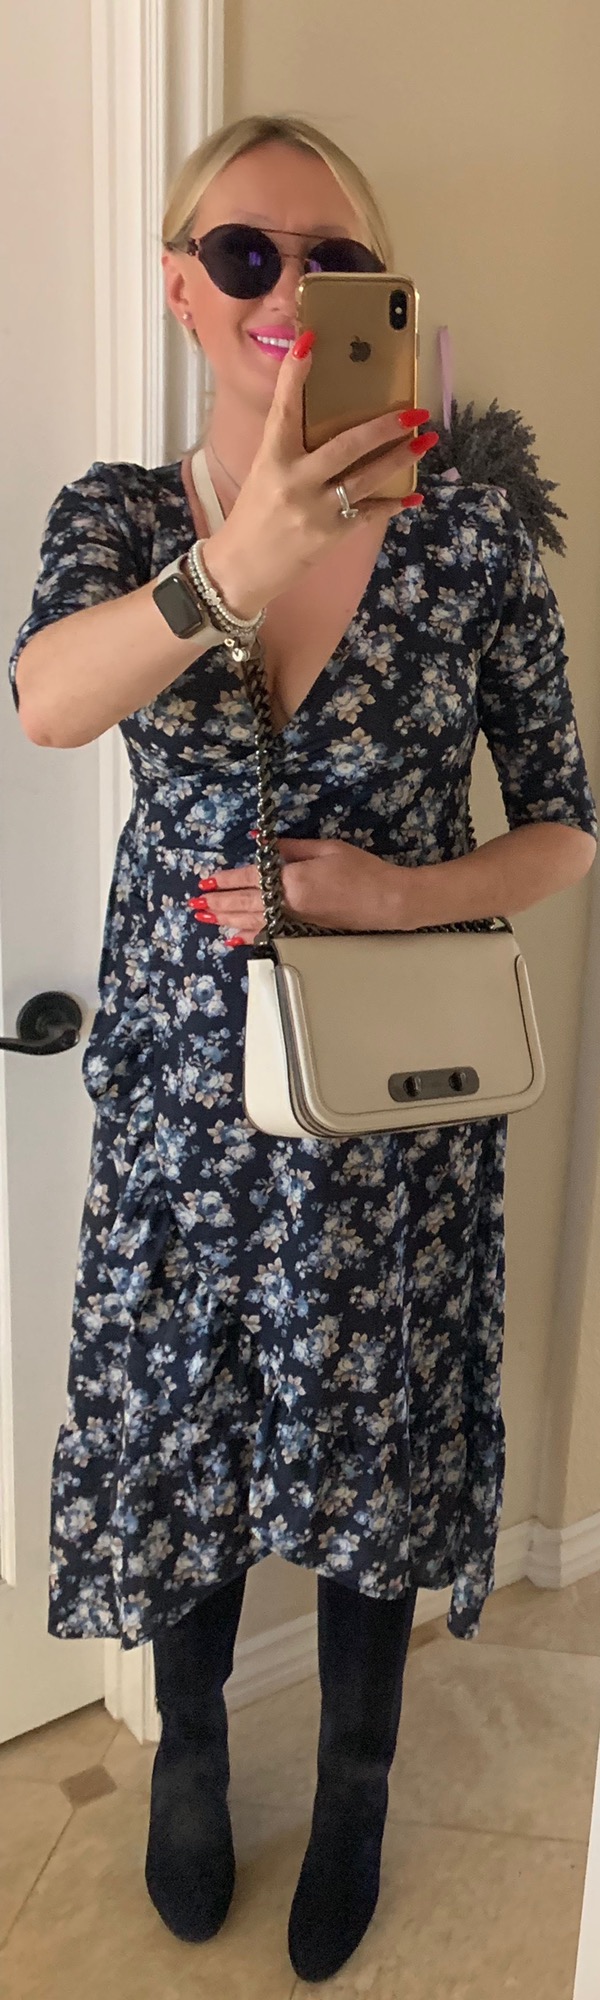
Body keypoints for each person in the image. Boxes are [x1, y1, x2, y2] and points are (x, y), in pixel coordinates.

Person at [8, 112, 597, 1985]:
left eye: (331, 258)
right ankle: (190, 1765)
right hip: (181, 1105)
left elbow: (566, 827)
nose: (288, 289)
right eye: (245, 254)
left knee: (375, 1451)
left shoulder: (473, 543)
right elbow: (45, 701)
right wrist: (241, 556)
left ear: (377, 292)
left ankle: (355, 1791)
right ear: (181, 287)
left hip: (393, 1105)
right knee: (181, 1431)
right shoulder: (121, 518)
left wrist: (399, 894)